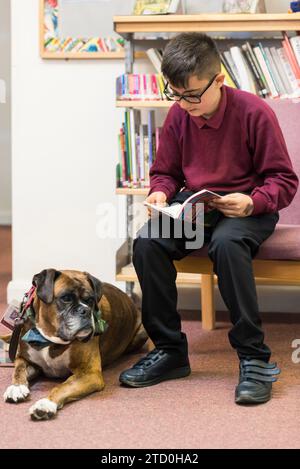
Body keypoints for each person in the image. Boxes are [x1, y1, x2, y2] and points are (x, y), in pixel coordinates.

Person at [119, 33, 298, 404]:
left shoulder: (254, 112)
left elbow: (283, 180)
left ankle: (254, 357)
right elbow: (165, 171)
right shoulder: (179, 116)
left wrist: (252, 202)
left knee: (228, 243)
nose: (184, 104)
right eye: (176, 94)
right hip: (197, 206)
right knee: (147, 241)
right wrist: (161, 192)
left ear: (219, 80)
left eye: (193, 95)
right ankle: (170, 351)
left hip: (247, 207)